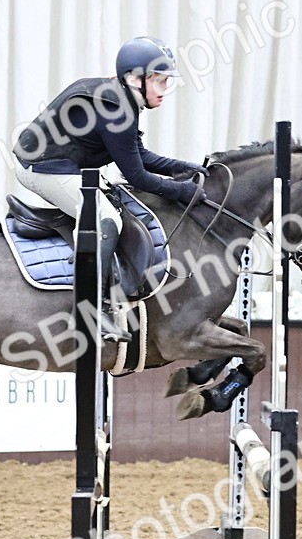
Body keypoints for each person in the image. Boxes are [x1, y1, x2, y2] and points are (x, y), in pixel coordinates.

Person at [13, 36, 204, 341]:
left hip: (65, 164)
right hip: (42, 167)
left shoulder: (122, 99)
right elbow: (138, 177)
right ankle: (89, 310)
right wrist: (181, 191)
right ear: (134, 78)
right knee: (105, 218)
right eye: (160, 81)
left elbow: (139, 155)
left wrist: (184, 168)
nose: (166, 89)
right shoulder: (116, 109)